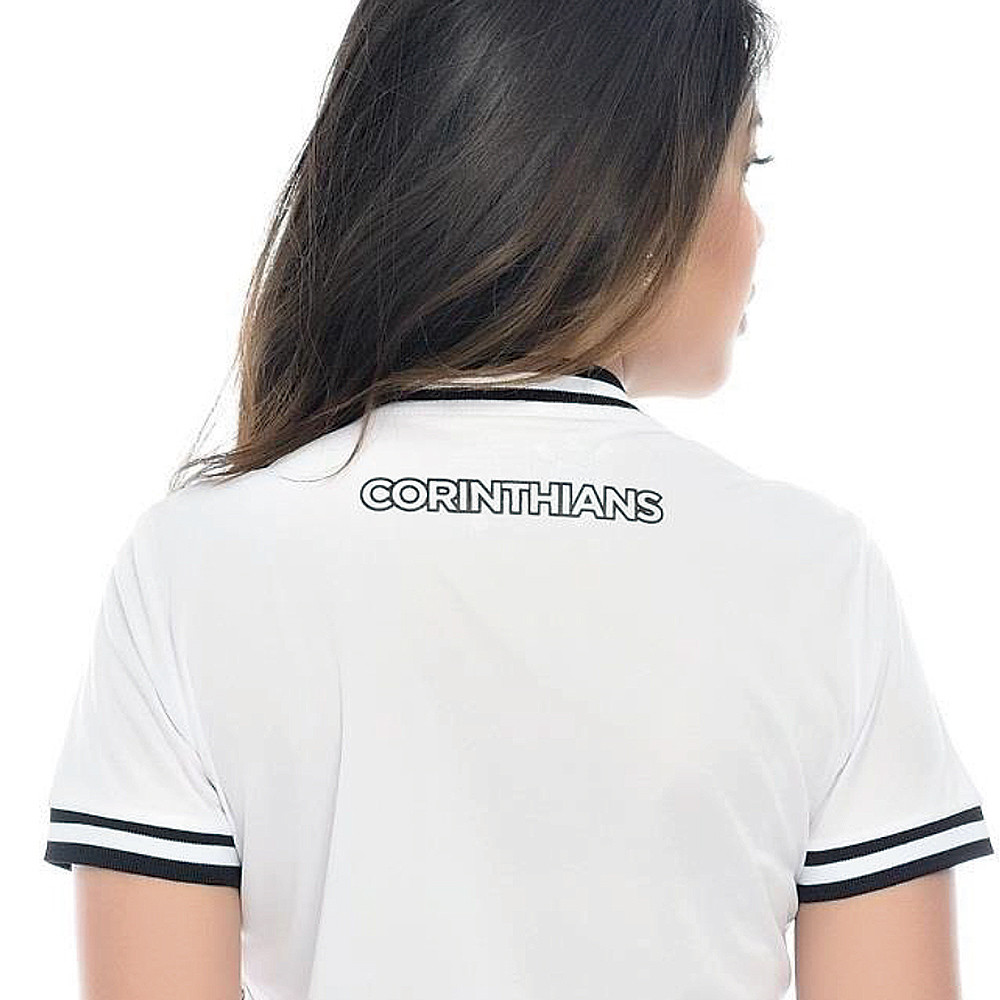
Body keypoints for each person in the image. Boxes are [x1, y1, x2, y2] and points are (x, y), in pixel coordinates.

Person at [42, 1, 994, 998]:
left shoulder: (196, 565)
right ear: (629, 184)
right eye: (744, 168)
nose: (757, 228)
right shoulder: (814, 573)